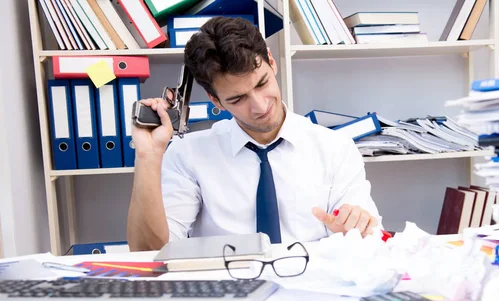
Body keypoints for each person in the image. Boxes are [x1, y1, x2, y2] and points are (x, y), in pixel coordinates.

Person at [127, 16, 382, 251]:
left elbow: (369, 236)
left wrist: (357, 229)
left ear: (271, 62)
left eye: (262, 84)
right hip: (227, 291)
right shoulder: (187, 155)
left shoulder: (335, 148)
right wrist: (148, 156)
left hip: (311, 288)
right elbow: (150, 252)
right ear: (215, 100)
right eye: (238, 99)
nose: (260, 107)